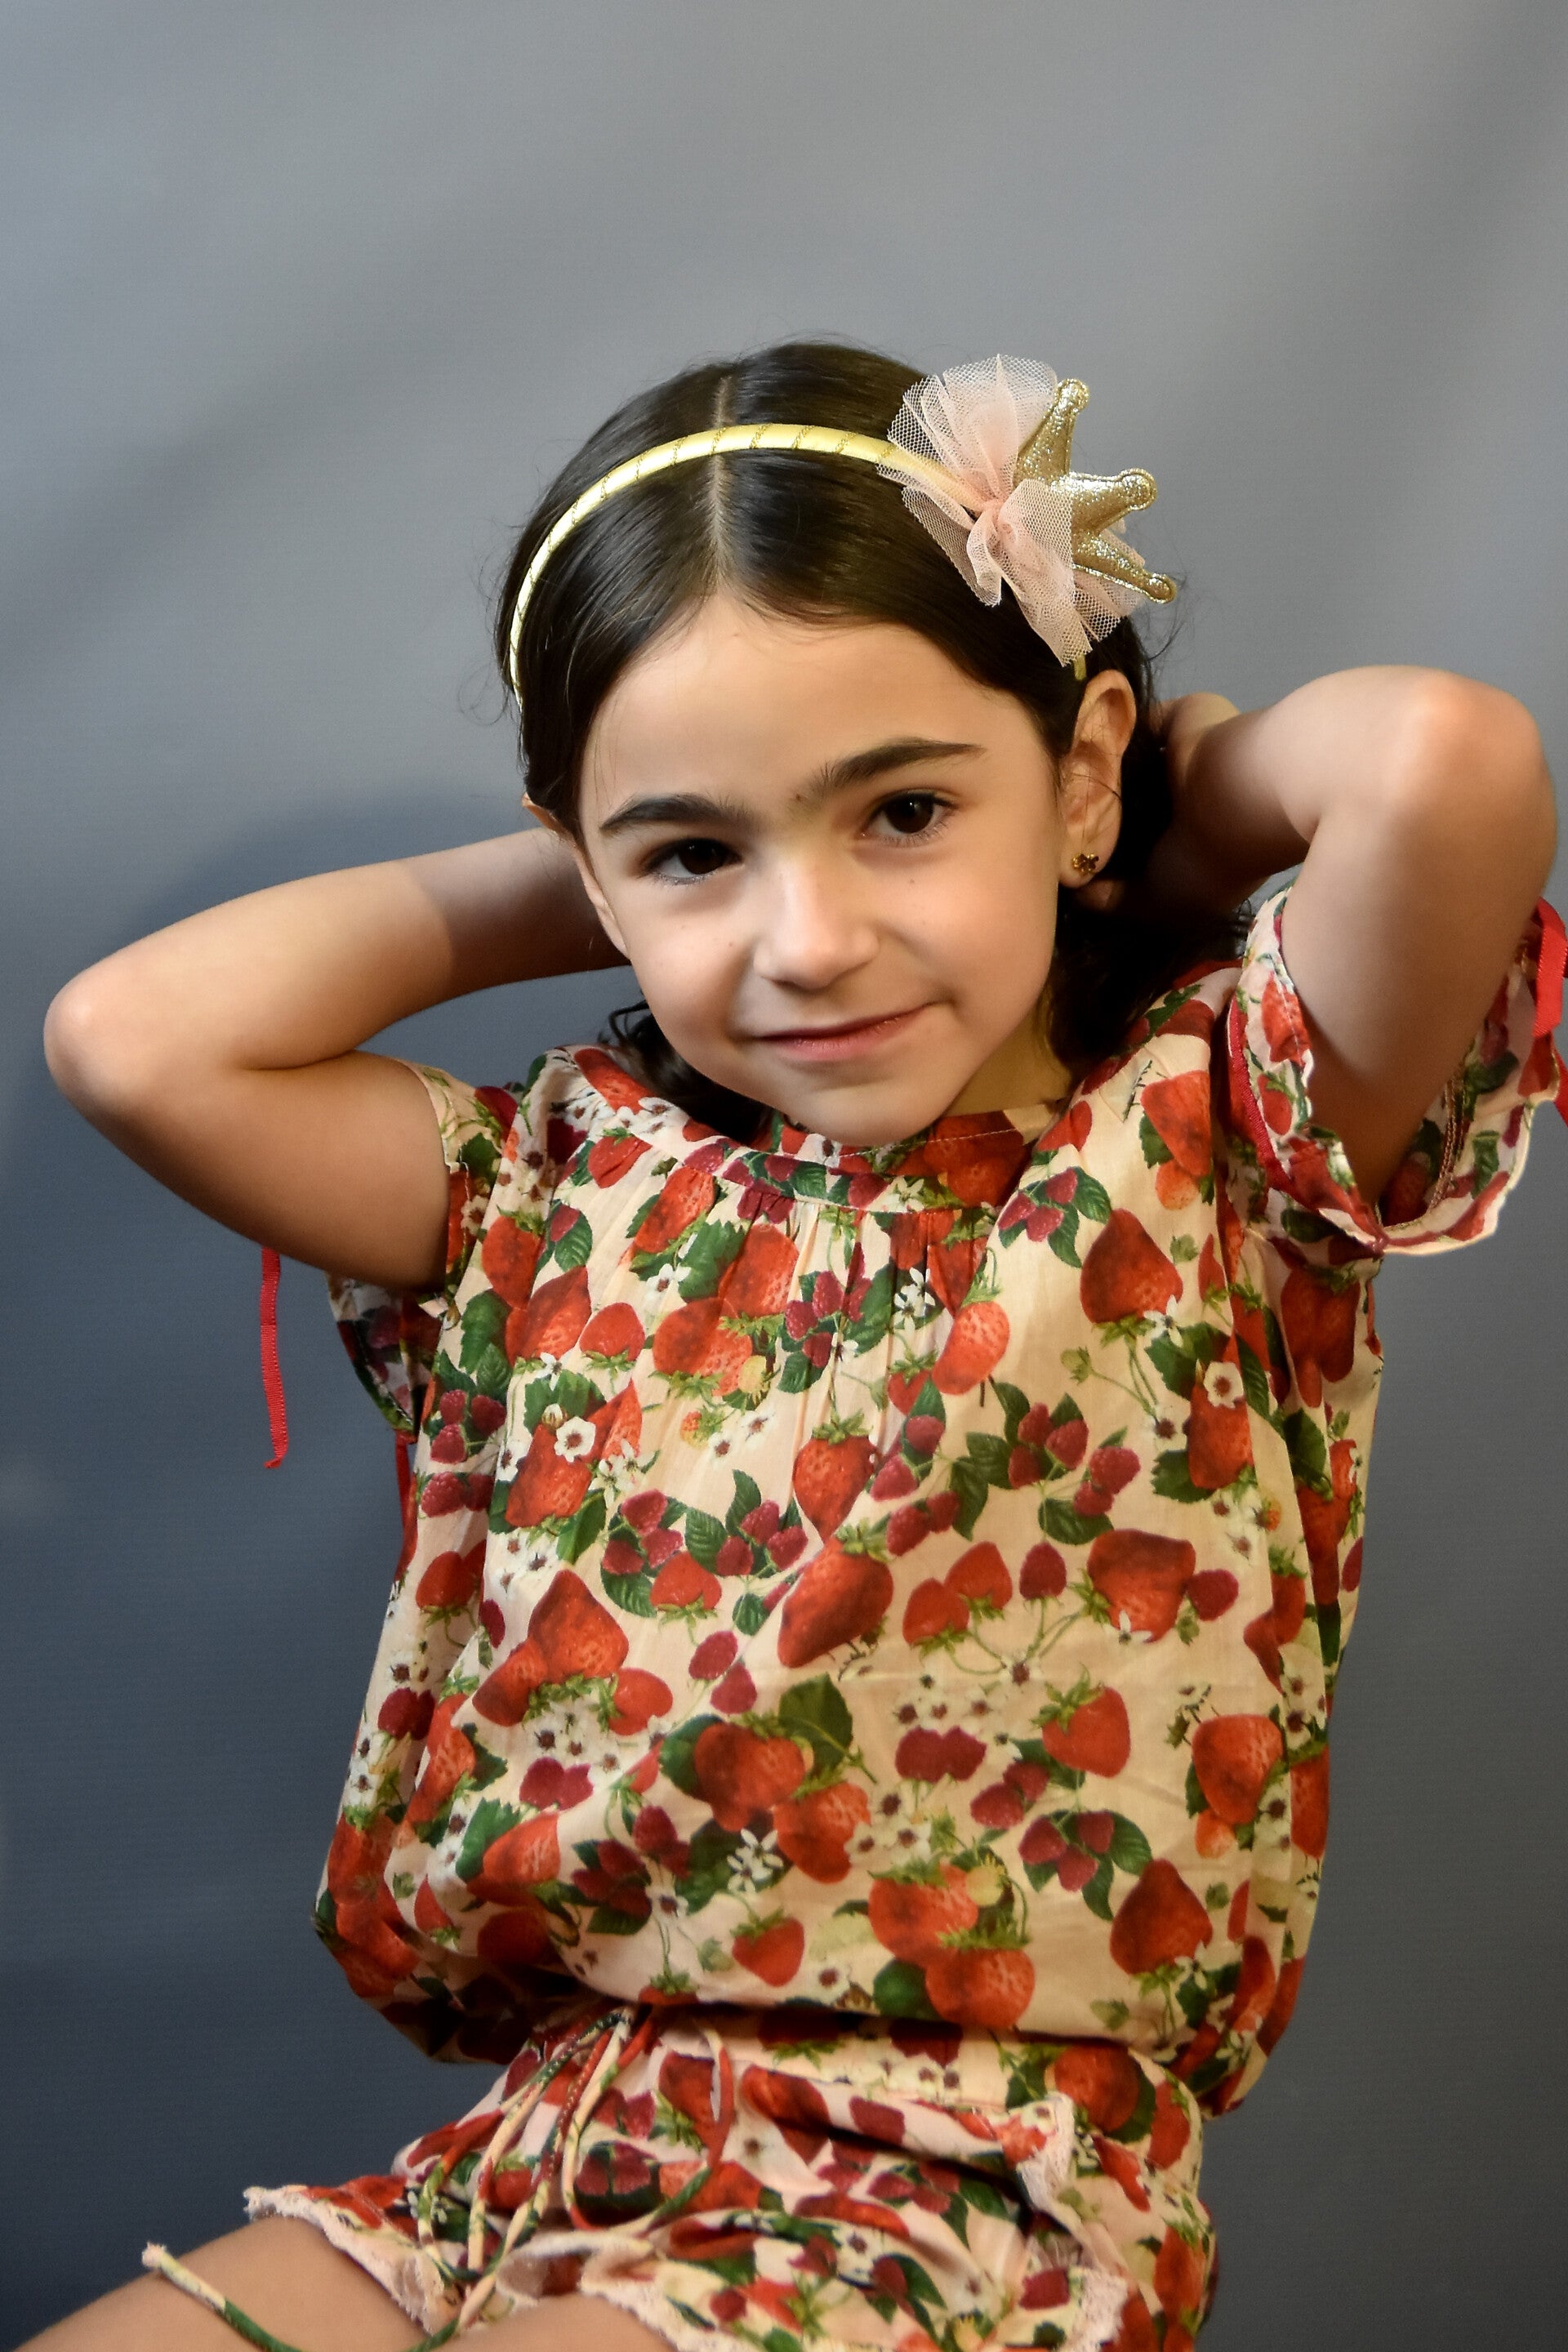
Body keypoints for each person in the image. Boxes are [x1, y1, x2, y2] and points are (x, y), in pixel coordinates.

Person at [35, 344, 1561, 2352]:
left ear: (1080, 767)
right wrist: (612, 875)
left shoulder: (1217, 1145)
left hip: (960, 2189)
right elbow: (134, 1042)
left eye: (905, 811)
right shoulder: (555, 1193)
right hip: (546, 2152)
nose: (810, 940)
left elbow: (1445, 762)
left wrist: (1156, 841)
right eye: (697, 854)